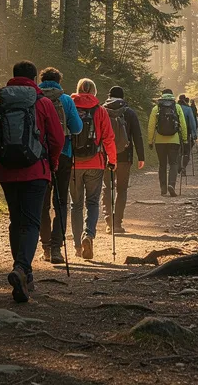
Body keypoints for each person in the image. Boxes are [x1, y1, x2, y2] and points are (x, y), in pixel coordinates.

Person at [0, 61, 66, 303]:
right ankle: (22, 269)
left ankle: (24, 274)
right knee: (31, 222)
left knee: (15, 221)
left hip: (7, 172)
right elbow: (58, 139)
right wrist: (53, 162)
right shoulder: (44, 103)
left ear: (13, 77)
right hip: (37, 172)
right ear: (34, 80)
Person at [38, 68, 83, 265]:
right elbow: (77, 128)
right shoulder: (65, 100)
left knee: (42, 203)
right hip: (63, 154)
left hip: (38, 157)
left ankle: (46, 247)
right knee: (61, 202)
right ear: (58, 81)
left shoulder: (35, 98)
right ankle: (57, 248)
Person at [69, 78, 116, 259]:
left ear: (78, 89)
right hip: (95, 162)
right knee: (92, 202)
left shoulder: (70, 107)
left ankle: (77, 247)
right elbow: (108, 138)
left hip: (73, 163)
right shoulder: (100, 110)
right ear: (94, 92)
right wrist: (112, 161)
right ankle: (88, 234)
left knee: (76, 204)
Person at [102, 85, 145, 234]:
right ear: (123, 97)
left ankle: (109, 222)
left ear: (109, 96)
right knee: (121, 189)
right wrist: (141, 157)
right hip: (125, 156)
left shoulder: (102, 111)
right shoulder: (129, 112)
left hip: (106, 156)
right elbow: (137, 136)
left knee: (107, 188)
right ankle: (117, 223)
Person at [146, 89, 189, 196]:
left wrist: (150, 141)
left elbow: (151, 126)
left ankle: (163, 188)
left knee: (162, 164)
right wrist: (184, 139)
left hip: (160, 141)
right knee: (173, 163)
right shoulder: (177, 107)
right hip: (174, 141)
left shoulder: (156, 108)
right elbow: (183, 124)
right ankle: (171, 185)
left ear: (162, 97)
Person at [178, 94, 198, 175]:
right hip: (186, 133)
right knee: (187, 151)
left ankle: (178, 166)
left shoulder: (175, 108)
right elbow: (192, 122)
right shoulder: (188, 109)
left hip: (175, 133)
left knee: (178, 151)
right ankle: (184, 167)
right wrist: (194, 133)